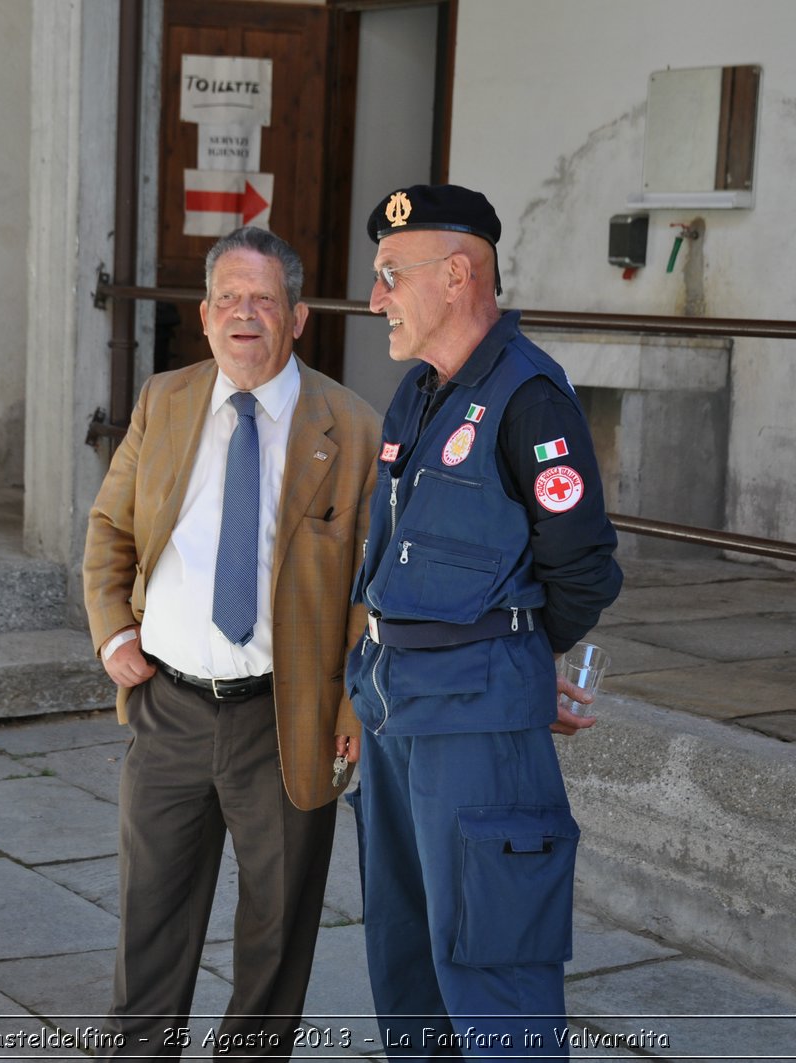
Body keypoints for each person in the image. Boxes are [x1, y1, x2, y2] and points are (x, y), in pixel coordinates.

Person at [83, 225, 380, 1059]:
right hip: (169, 710)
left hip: (287, 717)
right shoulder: (165, 400)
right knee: (150, 923)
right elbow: (109, 526)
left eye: (263, 300)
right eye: (227, 299)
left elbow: (371, 587)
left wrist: (351, 701)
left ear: (298, 317)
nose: (243, 314)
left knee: (277, 933)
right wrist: (113, 634)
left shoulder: (352, 429)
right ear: (205, 316)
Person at [345, 184, 623, 1058]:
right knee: (408, 963)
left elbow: (582, 568)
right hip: (398, 719)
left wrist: (520, 665)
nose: (377, 295)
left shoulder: (530, 398)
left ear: (458, 273)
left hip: (474, 724)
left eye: (392, 274)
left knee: (493, 975)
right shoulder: (420, 392)